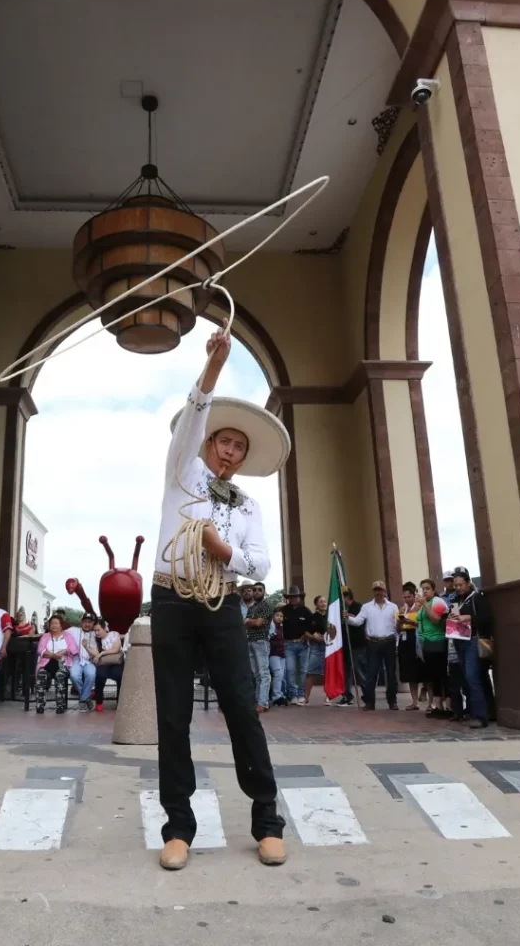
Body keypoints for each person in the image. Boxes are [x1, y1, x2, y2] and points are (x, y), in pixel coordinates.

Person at [151, 322, 289, 872]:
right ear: (207, 443)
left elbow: (261, 563)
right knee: (172, 715)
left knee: (240, 707)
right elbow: (193, 412)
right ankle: (178, 826)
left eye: (238, 447)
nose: (228, 451)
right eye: (222, 441)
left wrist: (221, 548)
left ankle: (266, 821)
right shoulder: (182, 472)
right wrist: (213, 363)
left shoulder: (249, 506)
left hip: (224, 601)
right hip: (171, 599)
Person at [448, 567, 492, 730]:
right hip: (460, 640)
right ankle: (477, 711)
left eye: (461, 585)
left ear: (468, 583)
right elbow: (454, 621)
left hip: (473, 641)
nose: (458, 587)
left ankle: (480, 716)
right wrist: (451, 620)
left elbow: (487, 618)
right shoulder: (455, 601)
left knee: (473, 677)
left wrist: (469, 618)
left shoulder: (477, 597)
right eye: (456, 585)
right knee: (468, 678)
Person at [347, 581, 400, 711]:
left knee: (391, 674)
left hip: (389, 642)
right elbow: (358, 621)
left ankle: (392, 701)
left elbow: (397, 625)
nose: (378, 593)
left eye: (380, 590)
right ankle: (370, 702)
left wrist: (397, 643)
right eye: (376, 590)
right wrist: (347, 618)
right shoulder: (366, 607)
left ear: (384, 591)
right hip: (373, 643)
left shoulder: (393, 607)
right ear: (373, 592)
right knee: (371, 674)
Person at [416, 578, 449, 717]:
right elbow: (421, 622)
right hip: (427, 644)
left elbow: (436, 620)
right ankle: (438, 706)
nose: (424, 591)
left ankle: (448, 707)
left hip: (437, 642)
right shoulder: (426, 603)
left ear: (434, 590)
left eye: (427, 588)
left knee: (440, 675)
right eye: (423, 588)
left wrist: (424, 605)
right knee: (433, 676)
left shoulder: (437, 602)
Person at [35, 615, 78, 714]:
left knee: (60, 675)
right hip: (47, 663)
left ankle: (60, 705)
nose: (53, 625)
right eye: (52, 623)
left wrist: (64, 651)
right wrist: (52, 655)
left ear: (61, 625)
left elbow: (74, 649)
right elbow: (40, 649)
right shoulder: (45, 636)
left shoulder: (67, 636)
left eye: (56, 623)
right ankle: (40, 705)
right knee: (41, 674)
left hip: (63, 664)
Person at [244, 585, 274, 711]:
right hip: (250, 641)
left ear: (264, 592)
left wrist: (248, 620)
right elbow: (248, 623)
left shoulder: (267, 606)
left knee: (263, 673)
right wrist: (251, 621)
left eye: (259, 590)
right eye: (254, 590)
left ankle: (263, 703)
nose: (256, 592)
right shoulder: (251, 608)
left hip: (261, 642)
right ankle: (258, 702)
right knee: (256, 674)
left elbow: (258, 623)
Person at [281, 586, 310, 705]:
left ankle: (301, 694)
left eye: (296, 596)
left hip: (303, 644)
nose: (293, 598)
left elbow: (312, 625)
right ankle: (293, 694)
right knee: (290, 670)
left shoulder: (306, 610)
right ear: (288, 598)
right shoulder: (283, 610)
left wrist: (307, 634)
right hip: (288, 644)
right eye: (291, 596)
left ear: (299, 597)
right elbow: (277, 624)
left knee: (303, 671)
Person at [397, 582, 422, 710]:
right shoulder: (402, 609)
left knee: (422, 672)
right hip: (405, 639)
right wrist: (399, 622)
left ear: (414, 596)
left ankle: (431, 702)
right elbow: (397, 629)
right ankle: (414, 701)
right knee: (410, 673)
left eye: (409, 597)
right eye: (405, 597)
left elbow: (423, 624)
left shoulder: (420, 608)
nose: (407, 599)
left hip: (416, 639)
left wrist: (410, 621)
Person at [340, 585, 364, 706]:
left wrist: (348, 615)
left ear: (348, 596)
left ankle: (367, 695)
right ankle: (347, 695)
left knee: (359, 671)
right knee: (346, 671)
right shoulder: (340, 608)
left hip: (357, 644)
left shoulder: (358, 606)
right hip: (344, 644)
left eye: (342, 596)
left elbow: (360, 620)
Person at [69, 611, 98, 712]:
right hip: (76, 660)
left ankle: (83, 699)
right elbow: (60, 632)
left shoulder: (96, 634)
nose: (87, 624)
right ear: (81, 622)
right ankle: (86, 698)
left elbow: (106, 632)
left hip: (89, 661)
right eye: (85, 621)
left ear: (93, 623)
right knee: (74, 675)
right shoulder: (73, 630)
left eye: (89, 622)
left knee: (91, 675)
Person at [93, 618, 124, 712]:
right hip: (104, 662)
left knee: (120, 676)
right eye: (95, 631)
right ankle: (99, 702)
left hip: (116, 661)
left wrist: (102, 653)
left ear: (104, 628)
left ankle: (120, 703)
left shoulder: (114, 634)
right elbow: (95, 654)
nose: (96, 633)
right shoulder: (95, 640)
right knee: (100, 675)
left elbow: (116, 649)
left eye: (98, 630)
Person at [303, 595, 328, 705]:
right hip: (315, 647)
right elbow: (306, 632)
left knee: (328, 673)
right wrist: (313, 637)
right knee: (310, 673)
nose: (323, 603)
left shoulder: (330, 616)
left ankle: (329, 697)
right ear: (316, 604)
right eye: (320, 602)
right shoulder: (312, 617)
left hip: (329, 646)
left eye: (324, 601)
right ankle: (306, 697)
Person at [268, 609, 287, 706]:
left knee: (282, 675)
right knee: (278, 674)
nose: (279, 617)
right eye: (277, 615)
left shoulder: (281, 627)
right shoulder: (271, 627)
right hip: (273, 654)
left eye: (281, 616)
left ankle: (279, 694)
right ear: (273, 616)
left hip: (282, 654)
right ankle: (276, 696)